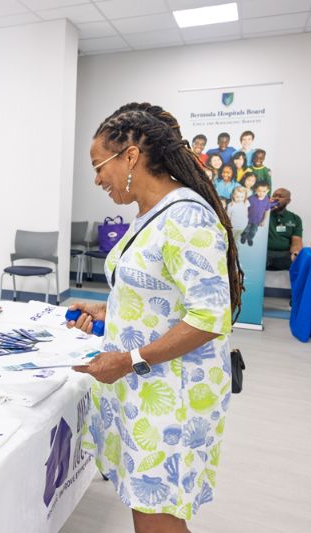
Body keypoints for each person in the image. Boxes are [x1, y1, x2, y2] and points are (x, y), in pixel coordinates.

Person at [69, 103, 243, 533]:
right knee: (148, 509)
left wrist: (128, 360)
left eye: (98, 166)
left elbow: (208, 318)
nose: (97, 179)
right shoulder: (151, 214)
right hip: (148, 388)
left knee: (158, 519)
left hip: (173, 397)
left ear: (130, 156)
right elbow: (160, 295)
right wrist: (110, 310)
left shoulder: (186, 217)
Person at [266, 188, 303, 270]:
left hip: (284, 255)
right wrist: (266, 209)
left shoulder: (295, 218)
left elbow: (296, 240)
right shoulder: (263, 215)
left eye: (281, 196)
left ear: (288, 201)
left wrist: (296, 253)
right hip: (264, 254)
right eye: (274, 195)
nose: (276, 198)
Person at [240, 182, 275, 247]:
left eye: (264, 191)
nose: (261, 193)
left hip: (257, 221)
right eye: (259, 191)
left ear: (267, 191)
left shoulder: (267, 200)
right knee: (245, 230)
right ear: (255, 190)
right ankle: (243, 237)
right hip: (248, 220)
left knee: (253, 231)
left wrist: (264, 221)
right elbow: (244, 208)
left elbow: (267, 211)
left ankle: (250, 238)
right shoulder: (251, 198)